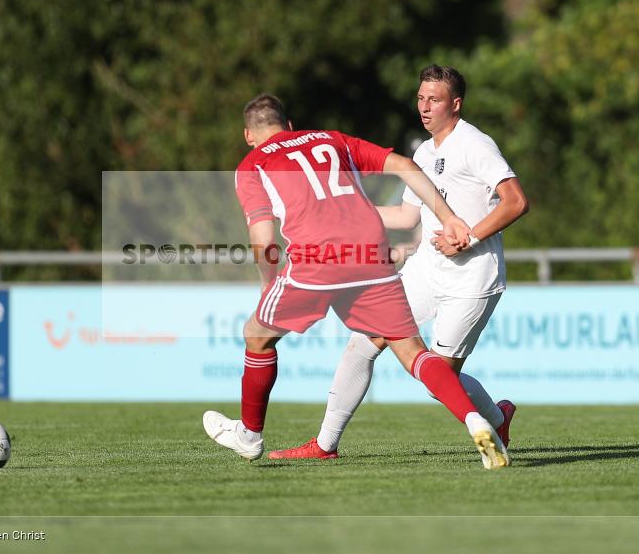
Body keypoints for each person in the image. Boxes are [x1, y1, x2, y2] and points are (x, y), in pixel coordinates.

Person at [202, 93, 511, 469]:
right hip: (370, 254)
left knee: (256, 334)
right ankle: (476, 420)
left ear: (248, 135)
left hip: (316, 260)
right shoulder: (332, 139)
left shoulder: (253, 164)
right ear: (290, 126)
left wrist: (269, 283)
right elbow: (404, 165)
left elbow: (264, 238)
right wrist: (448, 217)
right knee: (413, 352)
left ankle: (250, 436)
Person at [268, 65, 529, 469]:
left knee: (439, 380)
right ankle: (325, 443)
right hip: (426, 269)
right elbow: (408, 217)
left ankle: (496, 418)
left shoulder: (475, 145)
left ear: (456, 104)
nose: (424, 107)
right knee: (362, 342)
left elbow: (517, 201)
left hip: (472, 276)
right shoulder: (424, 152)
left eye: (434, 99)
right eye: (421, 98)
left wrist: (469, 237)